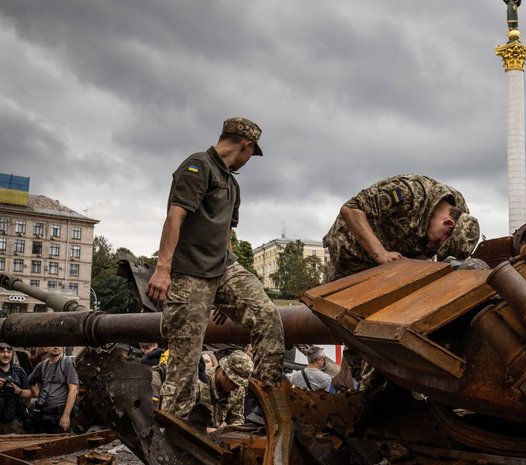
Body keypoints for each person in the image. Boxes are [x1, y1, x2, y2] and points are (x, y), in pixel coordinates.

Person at [145, 117, 285, 420]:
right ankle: (171, 434)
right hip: (190, 275)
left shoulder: (232, 185)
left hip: (223, 269)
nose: (249, 161)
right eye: (251, 154)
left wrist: (227, 293)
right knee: (184, 365)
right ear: (245, 146)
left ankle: (263, 407)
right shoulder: (198, 167)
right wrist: (162, 269)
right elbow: (175, 217)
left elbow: (226, 237)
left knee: (267, 315)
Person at [323, 174, 481, 281]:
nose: (431, 247)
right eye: (437, 243)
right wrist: (380, 254)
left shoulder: (461, 216)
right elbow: (350, 209)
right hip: (351, 251)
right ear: (447, 223)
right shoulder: (409, 193)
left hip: (393, 264)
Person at [192, 350, 252, 430]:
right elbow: (182, 418)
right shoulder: (199, 383)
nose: (237, 387)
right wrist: (205, 430)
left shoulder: (238, 390)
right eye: (234, 382)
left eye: (240, 384)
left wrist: (232, 430)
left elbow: (237, 418)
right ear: (224, 372)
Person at [28, 346, 78, 433]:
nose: (56, 347)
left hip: (60, 414)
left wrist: (66, 415)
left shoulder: (67, 363)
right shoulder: (42, 366)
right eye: (52, 344)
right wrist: (38, 394)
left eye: (58, 344)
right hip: (44, 413)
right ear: (46, 348)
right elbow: (30, 382)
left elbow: (73, 390)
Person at [0, 343, 31, 434]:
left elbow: (29, 393)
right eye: (2, 351)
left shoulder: (19, 371)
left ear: (12, 353)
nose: (6, 355)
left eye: (8, 352)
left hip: (15, 421)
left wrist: (19, 391)